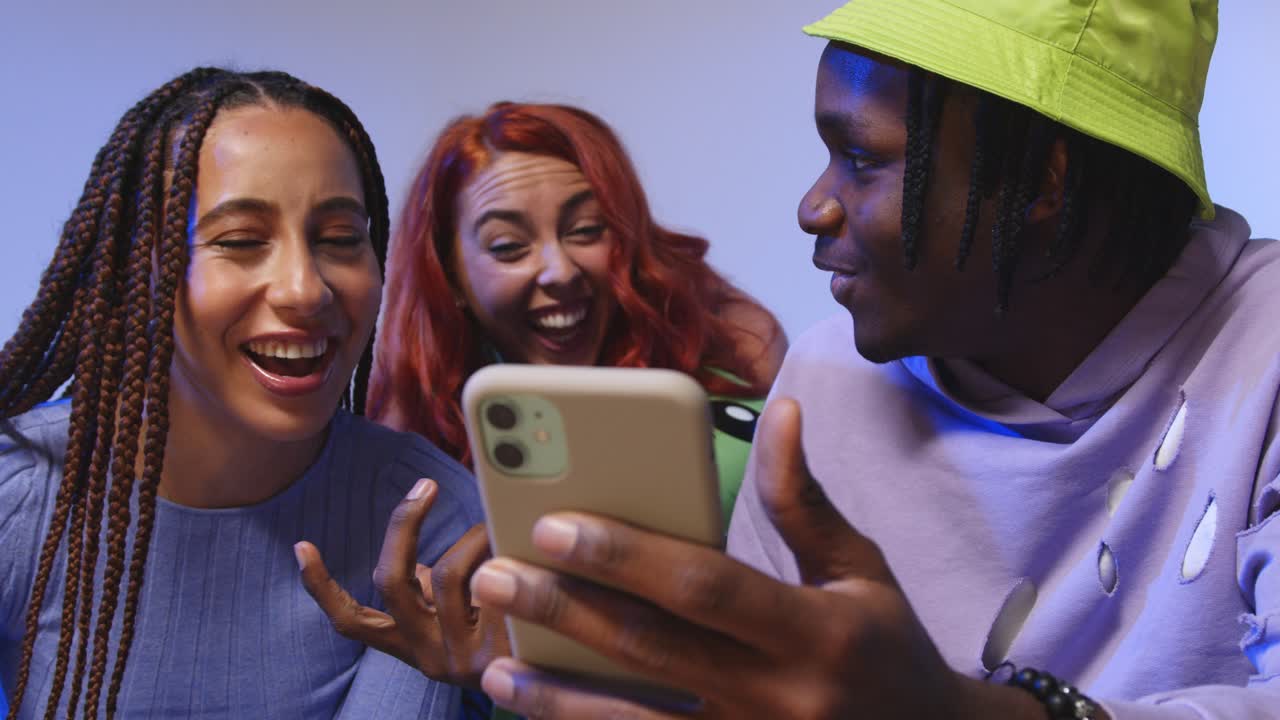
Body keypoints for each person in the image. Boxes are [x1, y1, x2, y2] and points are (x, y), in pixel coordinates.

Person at [319, 0, 1280, 718]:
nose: (813, 207)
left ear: (1042, 182)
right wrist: (562, 673)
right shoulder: (827, 382)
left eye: (859, 159)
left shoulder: (1262, 350)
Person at [0, 68, 481, 718]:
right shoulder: (19, 496)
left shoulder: (430, 518)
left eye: (341, 239)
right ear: (141, 270)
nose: (304, 289)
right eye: (241, 242)